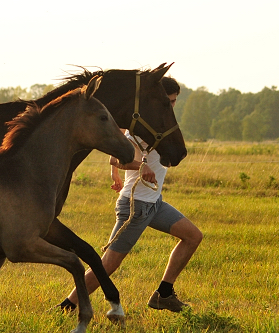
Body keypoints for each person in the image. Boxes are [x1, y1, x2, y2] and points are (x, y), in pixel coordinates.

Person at [58, 76, 202, 314]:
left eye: (174, 102)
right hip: (135, 207)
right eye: (170, 101)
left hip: (154, 204)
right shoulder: (141, 132)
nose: (172, 106)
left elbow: (115, 155)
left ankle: (164, 293)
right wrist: (139, 166)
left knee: (193, 236)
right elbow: (119, 155)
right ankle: (69, 305)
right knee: (109, 264)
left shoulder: (155, 125)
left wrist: (114, 170)